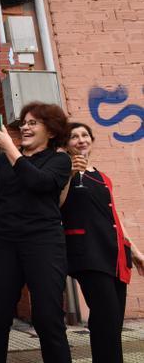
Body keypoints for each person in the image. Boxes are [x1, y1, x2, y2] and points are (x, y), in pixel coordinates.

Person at [0, 102, 72, 363]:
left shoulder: (59, 160)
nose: (25, 128)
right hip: (3, 243)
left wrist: (11, 149)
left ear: (50, 132)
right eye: (23, 123)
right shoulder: (2, 161)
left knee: (47, 316)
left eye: (32, 123)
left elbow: (40, 183)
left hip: (43, 243)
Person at [60, 122, 144, 363]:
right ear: (66, 144)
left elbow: (115, 217)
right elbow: (57, 205)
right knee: (106, 316)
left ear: (92, 140)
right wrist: (70, 174)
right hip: (87, 254)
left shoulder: (103, 177)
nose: (81, 140)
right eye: (74, 137)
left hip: (115, 253)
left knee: (111, 320)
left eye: (85, 135)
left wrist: (135, 251)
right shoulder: (63, 171)